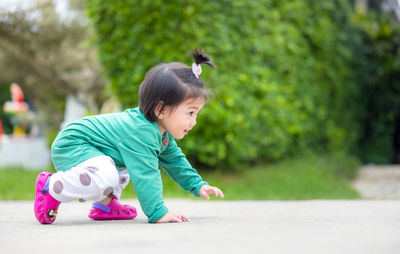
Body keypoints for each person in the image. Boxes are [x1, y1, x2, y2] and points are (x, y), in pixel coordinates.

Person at [34, 50, 224, 224]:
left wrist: (197, 185)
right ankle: (51, 186)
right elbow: (146, 173)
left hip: (93, 148)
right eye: (190, 113)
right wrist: (158, 212)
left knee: (121, 166)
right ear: (161, 109)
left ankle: (104, 204)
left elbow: (176, 162)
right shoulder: (141, 132)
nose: (194, 121)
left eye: (196, 114)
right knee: (108, 173)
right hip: (73, 143)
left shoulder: (161, 133)